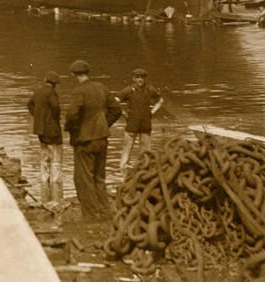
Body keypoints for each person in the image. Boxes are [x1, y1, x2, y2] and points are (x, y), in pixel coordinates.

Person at [64, 60, 122, 220]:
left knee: (83, 179)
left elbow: (71, 115)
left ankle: (91, 215)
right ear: (88, 73)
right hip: (102, 138)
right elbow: (117, 109)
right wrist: (104, 124)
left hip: (85, 141)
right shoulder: (102, 88)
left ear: (74, 75)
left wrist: (73, 129)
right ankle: (105, 211)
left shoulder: (79, 91)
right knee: (99, 177)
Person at [27, 71, 63, 205]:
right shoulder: (52, 93)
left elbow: (29, 105)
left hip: (40, 130)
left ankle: (44, 183)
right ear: (55, 85)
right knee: (55, 156)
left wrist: (37, 117)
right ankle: (55, 186)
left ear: (45, 81)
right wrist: (54, 119)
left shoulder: (38, 92)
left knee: (44, 155)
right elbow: (56, 108)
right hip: (52, 129)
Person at [118, 68, 164, 172]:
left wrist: (152, 112)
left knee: (145, 150)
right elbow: (115, 101)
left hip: (145, 123)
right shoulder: (128, 90)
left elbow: (160, 101)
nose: (140, 80)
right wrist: (124, 113)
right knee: (127, 148)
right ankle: (123, 170)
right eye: (137, 77)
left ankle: (143, 169)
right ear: (133, 78)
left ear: (145, 78)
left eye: (142, 77)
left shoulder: (150, 89)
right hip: (132, 122)